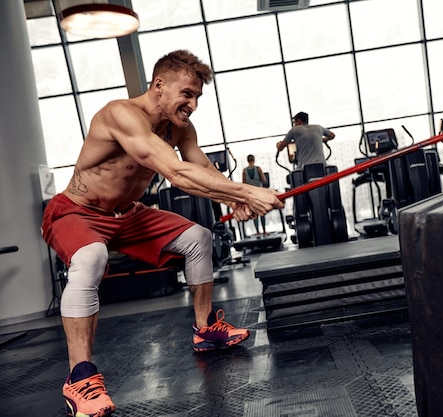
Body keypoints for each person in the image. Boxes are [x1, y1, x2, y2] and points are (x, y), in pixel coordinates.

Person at [41, 50, 284, 417]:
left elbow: (199, 166)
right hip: (79, 211)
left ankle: (204, 330)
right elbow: (175, 172)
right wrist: (247, 192)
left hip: (129, 213)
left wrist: (234, 197)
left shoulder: (178, 126)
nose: (193, 104)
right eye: (187, 93)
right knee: (92, 257)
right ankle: (80, 377)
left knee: (198, 238)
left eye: (198, 97)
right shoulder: (120, 114)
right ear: (158, 86)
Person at [242, 154, 268, 235]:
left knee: (254, 213)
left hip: (251, 195)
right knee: (262, 212)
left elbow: (244, 184)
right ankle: (264, 230)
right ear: (254, 159)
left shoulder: (244, 171)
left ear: (247, 160)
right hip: (259, 193)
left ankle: (257, 231)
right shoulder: (258, 169)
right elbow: (264, 180)